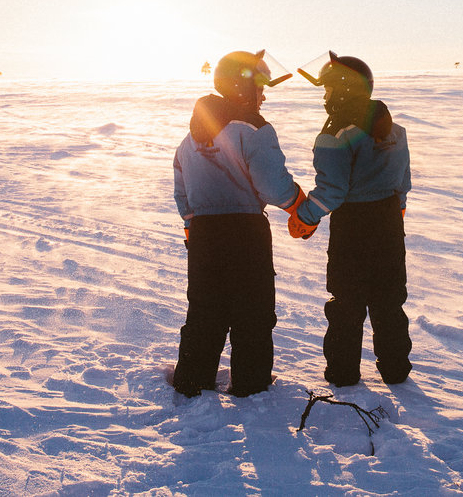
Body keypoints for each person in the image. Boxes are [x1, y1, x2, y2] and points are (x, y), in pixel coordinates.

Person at [172, 50, 304, 397]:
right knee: (253, 312)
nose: (264, 95)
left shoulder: (191, 138)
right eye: (260, 87)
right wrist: (299, 204)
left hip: (203, 235)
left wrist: (193, 229)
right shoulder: (253, 128)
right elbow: (273, 186)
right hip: (245, 232)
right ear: (242, 88)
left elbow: (181, 191)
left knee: (205, 310)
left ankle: (192, 381)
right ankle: (250, 385)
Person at [288, 52, 413, 387]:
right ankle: (396, 368)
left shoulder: (335, 133)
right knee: (389, 298)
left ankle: (343, 373)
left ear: (342, 92)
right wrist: (395, 212)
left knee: (347, 301)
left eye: (327, 90)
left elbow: (332, 190)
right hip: (388, 223)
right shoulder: (396, 130)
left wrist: (305, 216)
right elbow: (403, 181)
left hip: (353, 228)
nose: (325, 97)